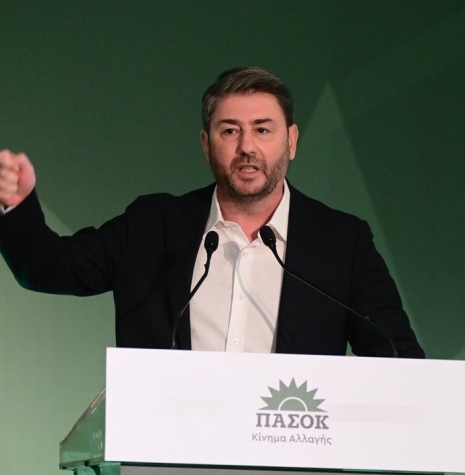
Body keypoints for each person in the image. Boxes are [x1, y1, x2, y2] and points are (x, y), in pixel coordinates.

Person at [0, 67, 425, 358]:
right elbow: (48, 268)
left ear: (291, 141)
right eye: (230, 131)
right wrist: (15, 204)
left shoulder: (342, 242)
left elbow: (399, 359)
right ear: (206, 145)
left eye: (263, 129)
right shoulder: (153, 226)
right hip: (167, 451)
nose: (247, 147)